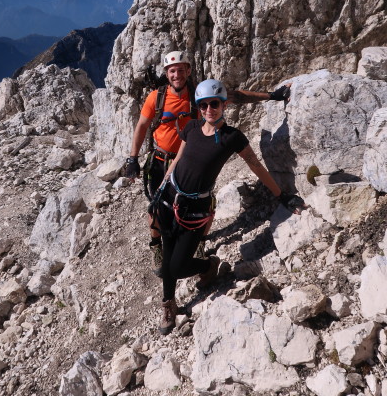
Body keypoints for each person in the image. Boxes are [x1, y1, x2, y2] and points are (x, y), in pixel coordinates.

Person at [151, 78, 305, 335]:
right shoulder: (191, 126)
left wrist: (282, 196)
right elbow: (181, 154)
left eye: (215, 104)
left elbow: (255, 165)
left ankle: (208, 266)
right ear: (198, 107)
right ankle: (168, 304)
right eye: (204, 106)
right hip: (169, 199)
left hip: (195, 209)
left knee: (177, 267)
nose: (209, 109)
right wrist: (165, 179)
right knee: (167, 260)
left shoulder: (231, 137)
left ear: (223, 105)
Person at [124, 51, 291, 276]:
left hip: (191, 159)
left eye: (181, 70)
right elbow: (142, 126)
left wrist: (271, 96)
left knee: (203, 204)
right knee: (156, 207)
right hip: (161, 159)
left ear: (189, 71)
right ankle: (158, 246)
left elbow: (235, 96)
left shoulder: (200, 95)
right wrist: (133, 158)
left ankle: (198, 241)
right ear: (166, 73)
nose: (177, 75)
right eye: (172, 71)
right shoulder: (157, 97)